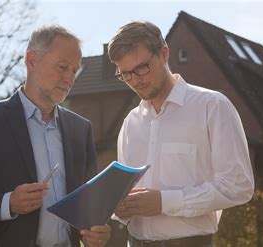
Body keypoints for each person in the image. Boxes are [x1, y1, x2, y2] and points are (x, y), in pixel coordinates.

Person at [0, 25, 111, 247]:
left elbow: (90, 209)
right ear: (31, 60)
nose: (69, 79)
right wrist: (7, 203)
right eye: (62, 67)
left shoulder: (81, 128)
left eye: (74, 71)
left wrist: (98, 232)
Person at [108, 21, 254, 247]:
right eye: (126, 74)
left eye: (141, 68)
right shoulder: (130, 122)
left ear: (164, 53)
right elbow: (126, 196)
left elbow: (238, 185)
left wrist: (164, 202)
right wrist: (117, 206)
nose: (135, 80)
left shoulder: (212, 106)